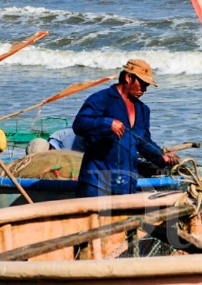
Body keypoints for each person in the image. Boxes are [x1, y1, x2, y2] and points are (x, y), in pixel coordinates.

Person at [72, 59, 180, 197]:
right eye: (142, 84)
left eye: (147, 85)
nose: (145, 89)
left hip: (126, 184)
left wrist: (160, 156)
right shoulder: (103, 99)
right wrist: (107, 124)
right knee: (99, 219)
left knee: (126, 219)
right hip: (98, 182)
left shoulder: (142, 110)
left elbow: (143, 141)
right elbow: (79, 124)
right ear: (128, 77)